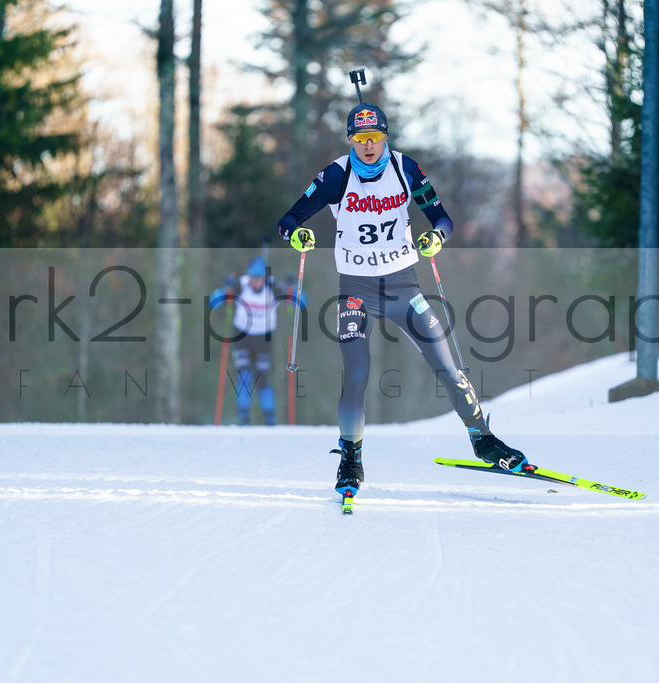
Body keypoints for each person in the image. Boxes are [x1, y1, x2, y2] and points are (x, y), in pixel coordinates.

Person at [276, 102, 527, 497]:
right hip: (356, 291)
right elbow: (289, 219)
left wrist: (437, 238)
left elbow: (441, 217)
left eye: (375, 138)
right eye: (360, 139)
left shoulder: (405, 169)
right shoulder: (337, 175)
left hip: (403, 288)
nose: (368, 146)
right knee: (355, 375)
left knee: (448, 365)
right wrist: (296, 235)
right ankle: (350, 458)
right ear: (351, 141)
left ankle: (484, 440)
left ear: (386, 137)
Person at [209, 256, 304, 426]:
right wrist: (225, 288)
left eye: (259, 278)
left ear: (264, 277)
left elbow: (301, 302)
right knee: (244, 375)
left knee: (262, 378)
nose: (255, 282)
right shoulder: (241, 284)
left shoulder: (273, 286)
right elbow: (213, 302)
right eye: (253, 277)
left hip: (264, 337)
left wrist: (293, 288)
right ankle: (244, 418)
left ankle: (270, 419)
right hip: (242, 335)